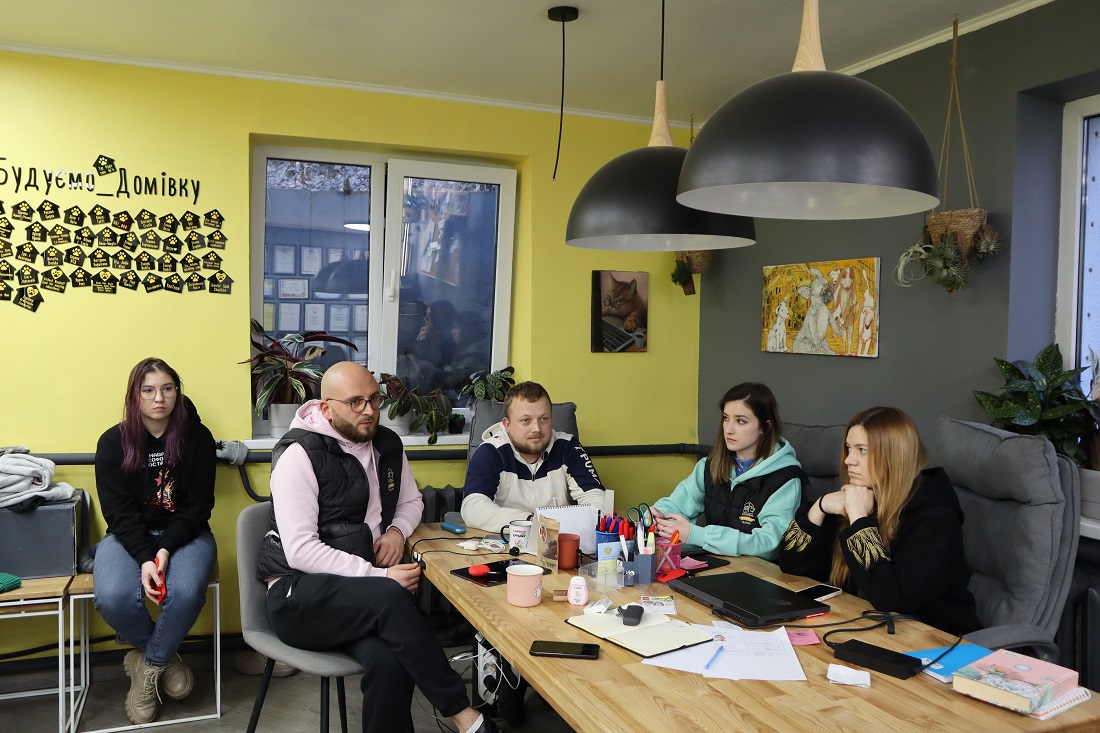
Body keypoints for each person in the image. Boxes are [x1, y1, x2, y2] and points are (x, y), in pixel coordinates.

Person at [258, 361, 499, 733]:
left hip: (360, 599)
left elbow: (411, 501)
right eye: (355, 402)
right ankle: (465, 716)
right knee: (391, 596)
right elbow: (301, 551)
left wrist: (397, 533)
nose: (369, 410)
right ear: (326, 408)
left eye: (374, 399)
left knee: (390, 659)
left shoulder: (386, 444)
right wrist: (378, 576)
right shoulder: (299, 455)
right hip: (297, 596)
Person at [777, 406, 981, 636]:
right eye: (848, 448)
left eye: (862, 450)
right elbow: (790, 564)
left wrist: (858, 519)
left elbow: (889, 596)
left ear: (894, 456)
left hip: (933, 641)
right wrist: (820, 506)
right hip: (866, 627)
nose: (849, 460)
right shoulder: (863, 495)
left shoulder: (936, 518)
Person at [93, 357, 217, 725]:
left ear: (177, 392)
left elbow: (198, 506)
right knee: (112, 596)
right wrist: (147, 557)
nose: (158, 398)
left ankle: (148, 665)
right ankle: (164, 658)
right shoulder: (112, 442)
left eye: (166, 389)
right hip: (129, 535)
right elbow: (118, 513)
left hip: (187, 533)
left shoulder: (198, 438)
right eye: (148, 390)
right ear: (134, 396)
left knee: (187, 592)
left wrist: (164, 549)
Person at [650, 382, 805, 560]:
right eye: (726, 418)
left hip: (758, 572)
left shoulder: (786, 479)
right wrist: (657, 515)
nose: (729, 429)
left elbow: (769, 545)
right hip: (716, 564)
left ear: (765, 426)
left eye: (741, 421)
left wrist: (699, 535)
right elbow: (677, 505)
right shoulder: (710, 465)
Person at [461, 381, 605, 532]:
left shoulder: (568, 447)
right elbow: (473, 508)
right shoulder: (491, 452)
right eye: (526, 420)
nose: (536, 429)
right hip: (509, 541)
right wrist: (533, 522)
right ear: (507, 424)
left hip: (561, 539)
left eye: (544, 419)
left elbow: (597, 500)